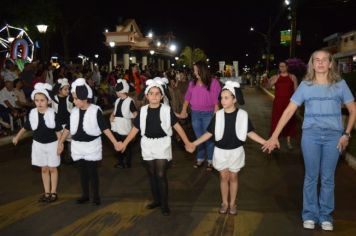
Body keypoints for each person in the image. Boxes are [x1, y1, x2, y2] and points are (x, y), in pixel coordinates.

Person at [262, 50, 356, 231]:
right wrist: (274, 135)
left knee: (328, 178)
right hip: (311, 136)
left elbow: (353, 110)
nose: (320, 63)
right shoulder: (305, 85)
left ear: (330, 64)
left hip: (333, 137)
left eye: (324, 60)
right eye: (316, 60)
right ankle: (310, 214)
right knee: (311, 177)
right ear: (312, 64)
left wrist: (346, 134)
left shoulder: (340, 85)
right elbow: (289, 111)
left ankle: (326, 216)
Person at [186, 81, 266, 215]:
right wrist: (194, 143)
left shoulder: (243, 115)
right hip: (220, 151)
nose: (222, 100)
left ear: (234, 99)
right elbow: (209, 133)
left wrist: (265, 142)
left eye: (226, 98)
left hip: (236, 151)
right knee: (223, 177)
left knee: (233, 177)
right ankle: (224, 202)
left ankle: (233, 203)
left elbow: (250, 132)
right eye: (221, 98)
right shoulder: (217, 115)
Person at [117, 79, 193, 216]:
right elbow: (135, 129)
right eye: (151, 93)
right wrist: (125, 143)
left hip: (162, 144)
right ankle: (156, 200)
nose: (154, 96)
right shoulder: (143, 111)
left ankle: (164, 203)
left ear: (162, 96)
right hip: (147, 144)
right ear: (146, 96)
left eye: (157, 94)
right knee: (151, 174)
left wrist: (187, 142)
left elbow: (178, 127)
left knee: (160, 173)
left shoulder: (167, 110)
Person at [57, 78, 120, 205]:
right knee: (82, 173)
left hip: (91, 147)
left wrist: (115, 142)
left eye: (75, 98)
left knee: (92, 173)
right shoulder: (74, 112)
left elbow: (104, 128)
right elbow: (68, 128)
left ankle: (96, 196)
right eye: (73, 98)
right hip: (77, 147)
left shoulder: (95, 110)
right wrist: (61, 142)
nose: (73, 101)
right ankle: (85, 195)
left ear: (84, 97)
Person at [12, 83, 62, 203]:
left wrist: (61, 144)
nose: (39, 103)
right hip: (38, 145)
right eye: (37, 100)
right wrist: (17, 137)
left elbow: (58, 130)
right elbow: (25, 127)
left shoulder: (52, 113)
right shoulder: (33, 113)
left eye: (42, 100)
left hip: (52, 144)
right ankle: (46, 192)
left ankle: (54, 192)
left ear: (48, 101)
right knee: (44, 169)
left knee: (52, 169)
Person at [179, 61, 221, 170]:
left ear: (202, 69)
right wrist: (184, 110)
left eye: (196, 69)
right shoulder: (192, 83)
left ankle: (211, 160)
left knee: (209, 138)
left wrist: (216, 115)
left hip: (209, 113)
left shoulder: (213, 82)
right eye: (194, 70)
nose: (194, 72)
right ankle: (200, 159)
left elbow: (216, 101)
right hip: (195, 114)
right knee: (199, 137)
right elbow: (187, 98)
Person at [268, 61, 298, 149]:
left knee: (289, 121)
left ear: (287, 67)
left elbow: (296, 91)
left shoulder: (292, 77)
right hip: (278, 103)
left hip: (289, 104)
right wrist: (271, 82)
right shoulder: (276, 77)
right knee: (276, 121)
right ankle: (274, 141)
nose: (281, 68)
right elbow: (268, 86)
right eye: (280, 66)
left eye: (283, 66)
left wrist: (296, 104)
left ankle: (288, 142)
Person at [110, 79, 137, 168]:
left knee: (127, 146)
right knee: (118, 144)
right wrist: (112, 115)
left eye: (117, 91)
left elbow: (135, 114)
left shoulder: (130, 101)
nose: (116, 92)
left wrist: (134, 125)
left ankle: (128, 163)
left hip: (125, 126)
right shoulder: (117, 100)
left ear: (122, 91)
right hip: (117, 125)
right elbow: (115, 110)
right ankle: (121, 162)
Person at [52, 78, 73, 164]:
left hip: (68, 124)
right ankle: (60, 158)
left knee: (71, 141)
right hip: (58, 125)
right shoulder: (54, 98)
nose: (68, 91)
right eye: (65, 89)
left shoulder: (70, 98)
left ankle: (71, 157)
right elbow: (52, 93)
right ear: (59, 90)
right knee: (59, 142)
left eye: (68, 89)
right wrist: (58, 83)